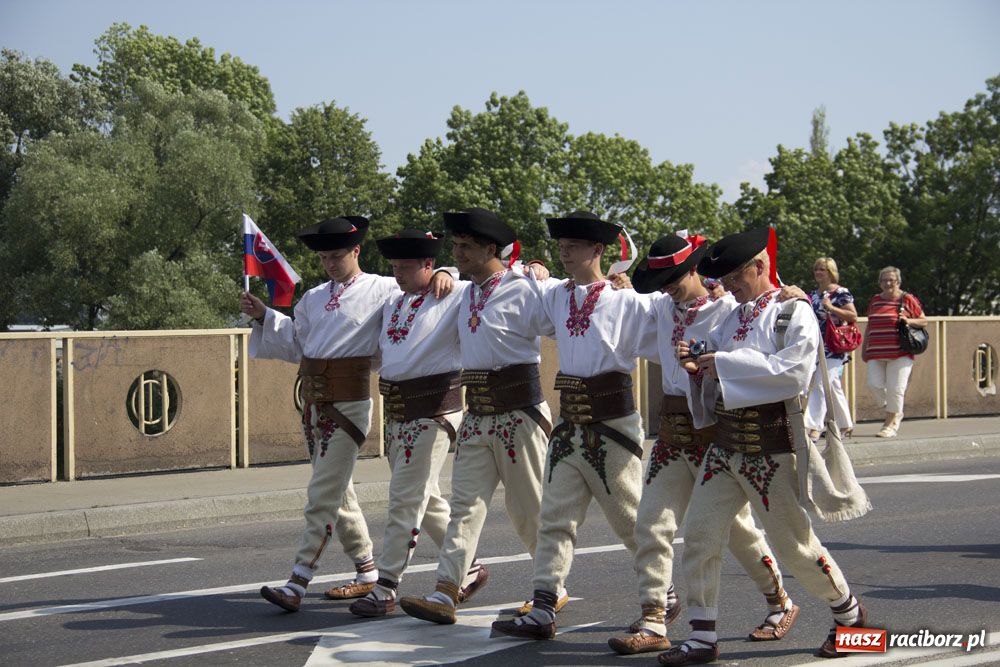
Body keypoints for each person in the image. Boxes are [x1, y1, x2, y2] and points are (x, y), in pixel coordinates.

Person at [660, 227, 870, 665]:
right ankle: (702, 636)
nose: (728, 286)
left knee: (795, 546)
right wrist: (696, 362)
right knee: (698, 534)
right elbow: (713, 363)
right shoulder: (731, 317)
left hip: (770, 448)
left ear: (759, 267)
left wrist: (722, 363)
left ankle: (850, 616)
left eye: (735, 276)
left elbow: (792, 374)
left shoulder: (792, 313)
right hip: (724, 446)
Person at [240, 216, 454, 612]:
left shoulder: (384, 288)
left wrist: (443, 270)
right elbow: (296, 343)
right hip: (314, 403)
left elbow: (422, 283)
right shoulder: (314, 298)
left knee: (323, 491)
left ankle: (299, 579)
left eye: (336, 255)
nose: (329, 263)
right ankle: (376, 567)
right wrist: (263, 316)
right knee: (345, 492)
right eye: (323, 257)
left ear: (356, 251)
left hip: (351, 404)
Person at [606, 232, 798, 656]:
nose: (669, 287)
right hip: (673, 430)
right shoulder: (657, 306)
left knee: (737, 531)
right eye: (662, 281)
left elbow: (766, 318)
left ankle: (778, 599)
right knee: (651, 522)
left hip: (716, 429)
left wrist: (790, 293)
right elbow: (611, 299)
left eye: (675, 277)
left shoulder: (728, 309)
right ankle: (655, 618)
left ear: (695, 270)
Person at [490, 211, 653, 641]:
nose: (564, 250)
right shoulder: (558, 297)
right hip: (569, 425)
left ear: (597, 251)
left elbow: (678, 313)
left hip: (613, 422)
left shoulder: (625, 300)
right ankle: (544, 606)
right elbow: (520, 289)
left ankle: (662, 597)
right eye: (561, 245)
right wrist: (532, 270)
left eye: (573, 245)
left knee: (630, 519)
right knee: (555, 518)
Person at [399, 207, 558, 625]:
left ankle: (551, 589)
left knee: (530, 510)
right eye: (455, 246)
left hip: (520, 414)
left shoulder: (526, 288)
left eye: (465, 247)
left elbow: (566, 310)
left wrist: (545, 271)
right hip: (478, 416)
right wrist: (444, 270)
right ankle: (445, 592)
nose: (457, 252)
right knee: (464, 507)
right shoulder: (465, 292)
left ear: (492, 248)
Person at [346, 229, 465, 617]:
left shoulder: (452, 295)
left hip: (433, 410)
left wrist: (449, 271)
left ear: (428, 265)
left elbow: (485, 281)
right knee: (425, 499)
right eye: (394, 267)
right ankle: (468, 569)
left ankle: (386, 585)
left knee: (403, 500)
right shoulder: (394, 302)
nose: (397, 274)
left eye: (406, 267)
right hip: (398, 413)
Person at [782, 257, 857, 441]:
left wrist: (831, 308)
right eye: (816, 269)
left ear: (831, 271)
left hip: (833, 346)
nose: (818, 272)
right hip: (817, 346)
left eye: (822, 269)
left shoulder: (840, 292)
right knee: (832, 386)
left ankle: (813, 427)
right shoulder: (813, 295)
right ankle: (845, 424)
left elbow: (852, 314)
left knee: (821, 384)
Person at [860, 266, 927, 438]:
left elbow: (923, 321)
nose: (888, 283)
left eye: (891, 280)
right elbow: (870, 325)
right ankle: (893, 408)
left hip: (900, 352)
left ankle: (890, 424)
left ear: (898, 282)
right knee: (874, 384)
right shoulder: (875, 300)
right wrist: (864, 347)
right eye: (884, 280)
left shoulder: (906, 299)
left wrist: (908, 321)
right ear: (880, 282)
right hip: (876, 351)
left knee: (896, 388)